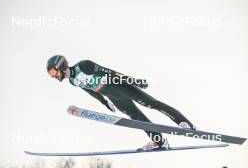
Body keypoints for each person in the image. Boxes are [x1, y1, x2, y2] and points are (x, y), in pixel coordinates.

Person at [47, 55, 196, 150]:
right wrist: (103, 102)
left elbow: (111, 72)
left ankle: (185, 124)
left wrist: (134, 81)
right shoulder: (73, 81)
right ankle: (160, 141)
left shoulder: (83, 65)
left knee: (153, 104)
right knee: (138, 120)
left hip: (121, 87)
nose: (53, 76)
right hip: (114, 97)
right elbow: (89, 90)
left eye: (53, 72)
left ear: (60, 65)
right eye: (51, 74)